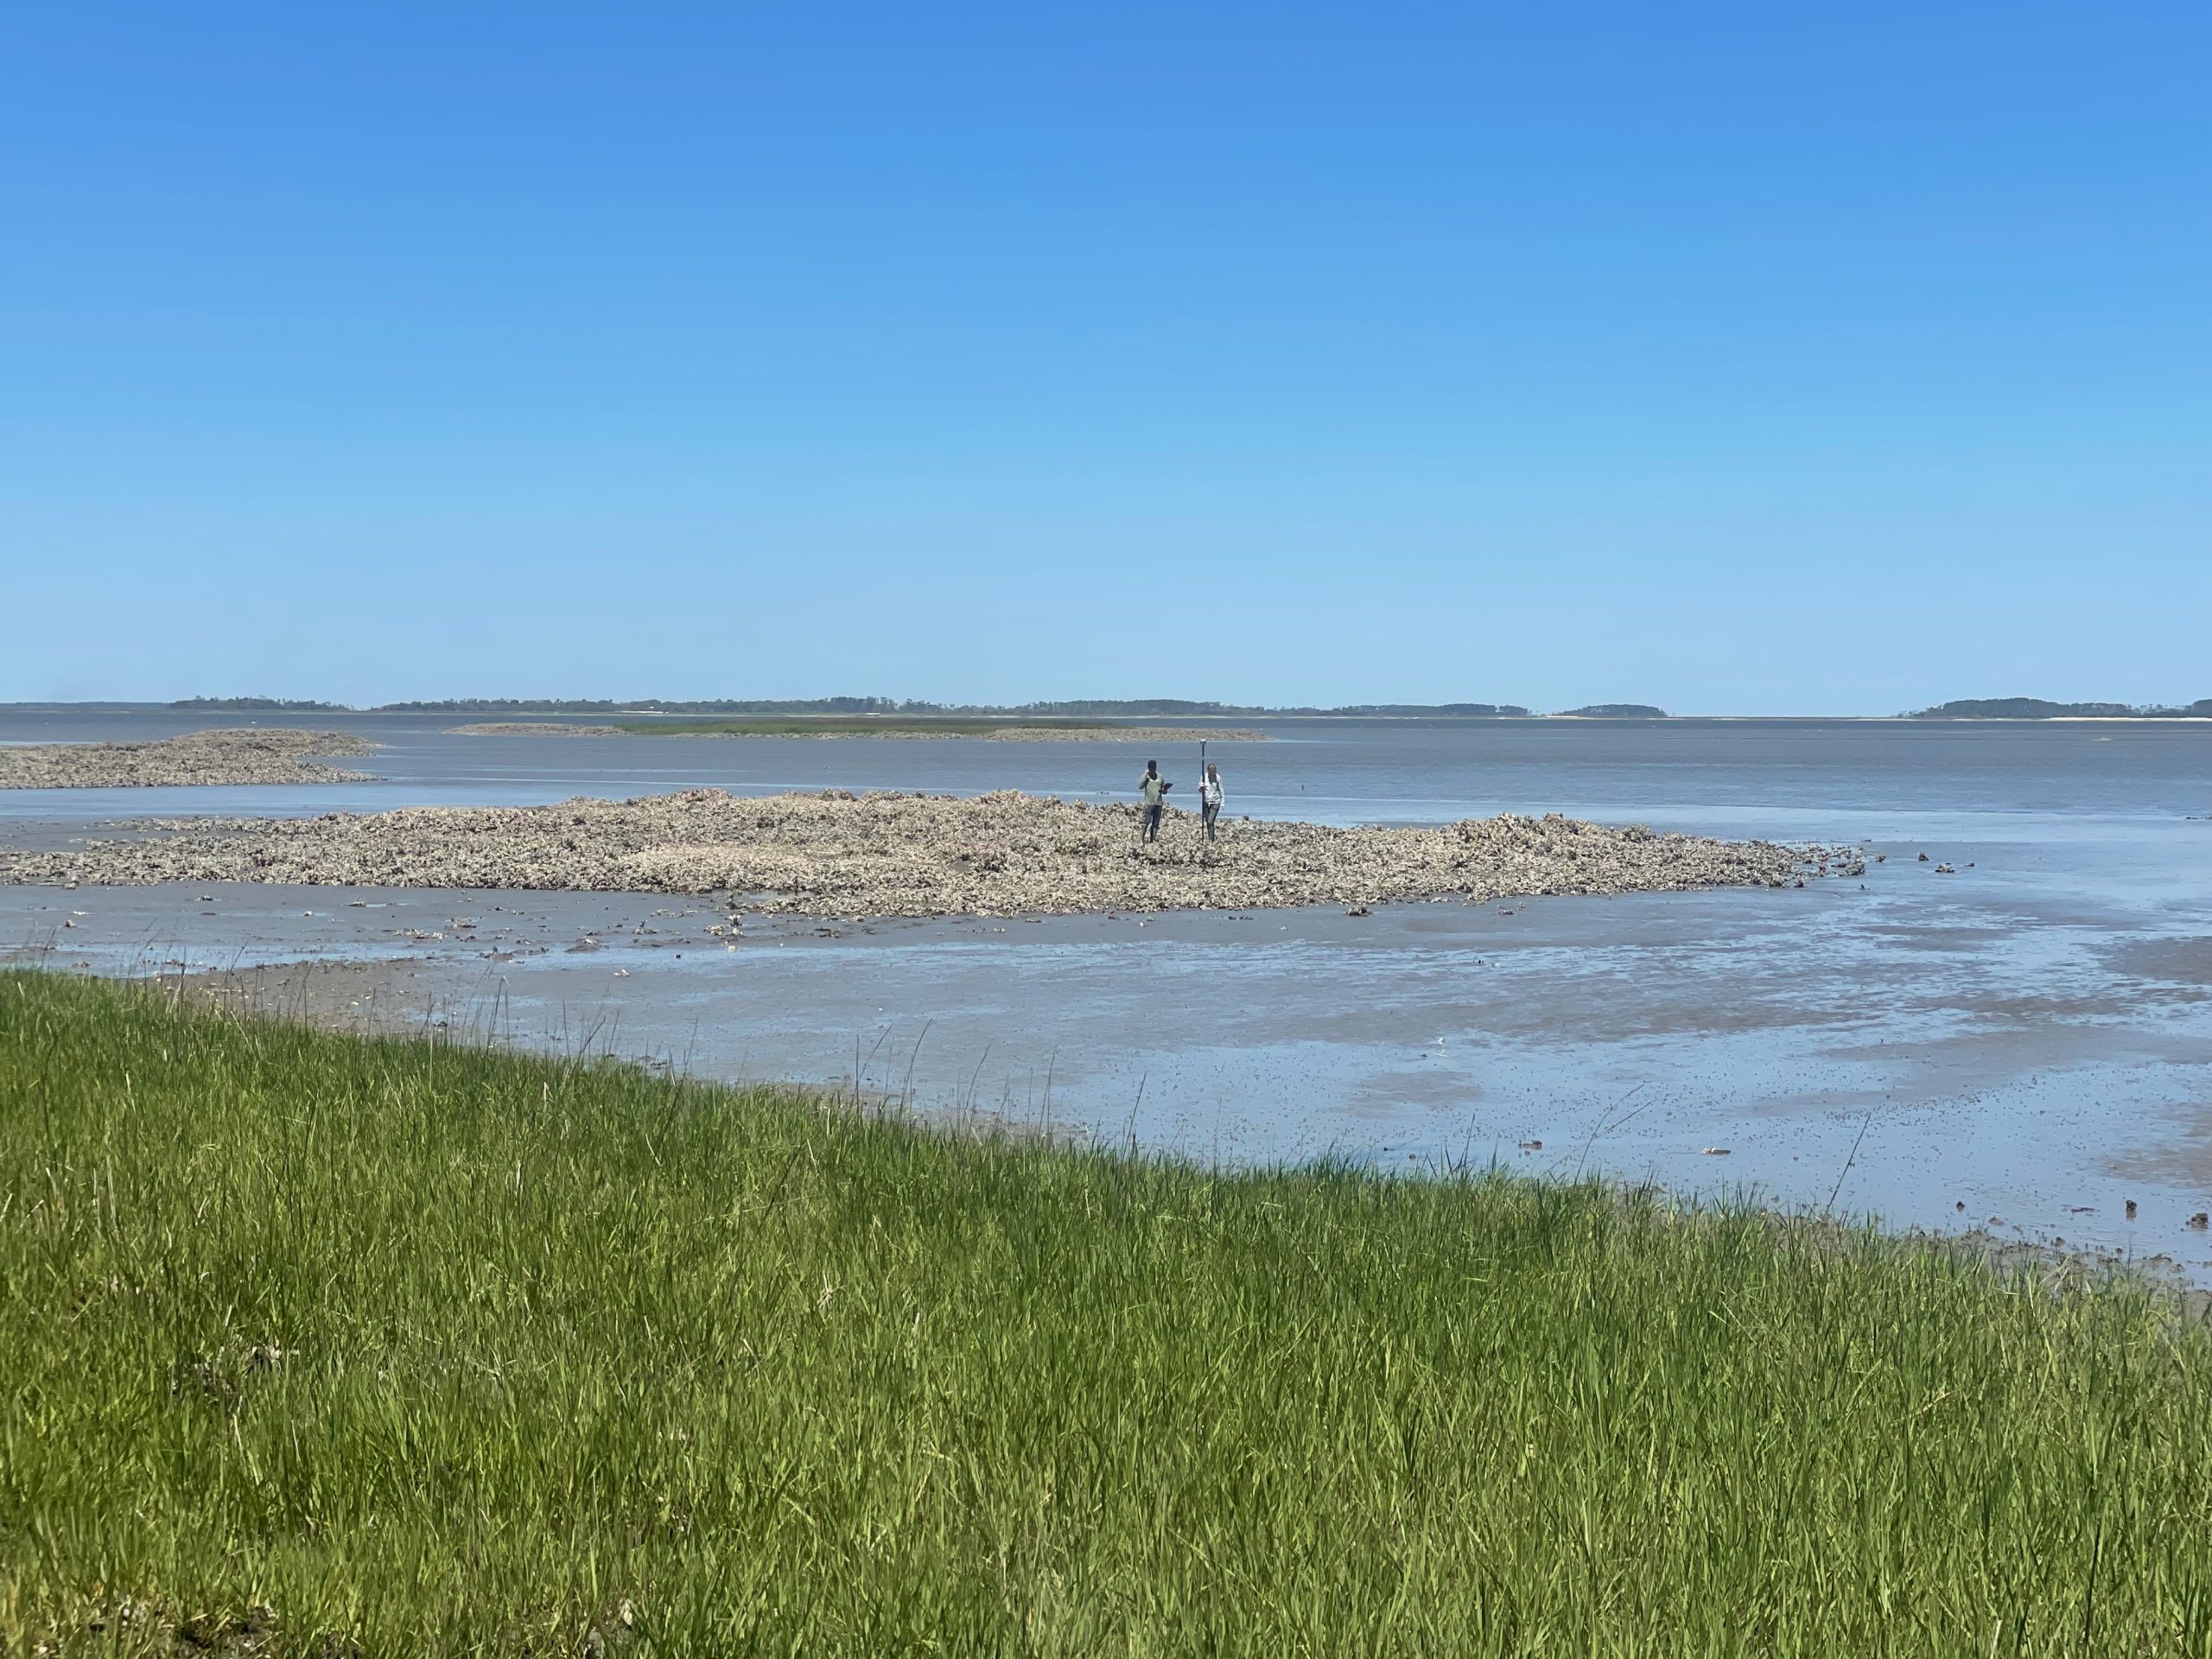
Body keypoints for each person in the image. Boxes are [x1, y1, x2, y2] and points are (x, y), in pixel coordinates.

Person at [1137, 759, 1170, 842]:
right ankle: (1141, 838)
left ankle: (1153, 839)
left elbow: (1164, 791)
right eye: (1151, 768)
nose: (1153, 770)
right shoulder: (1146, 777)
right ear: (1149, 768)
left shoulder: (1160, 777)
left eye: (1154, 768)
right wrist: (1145, 776)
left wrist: (1164, 790)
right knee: (1146, 821)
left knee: (1155, 823)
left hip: (1158, 803)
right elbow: (1140, 786)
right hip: (1149, 803)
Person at [1198, 762, 1224, 840]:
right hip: (1206, 802)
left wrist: (1222, 802)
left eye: (1214, 772)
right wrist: (1201, 788)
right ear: (1208, 771)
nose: (1213, 774)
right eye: (1211, 772)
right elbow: (1199, 790)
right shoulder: (1203, 777)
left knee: (1210, 821)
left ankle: (1211, 839)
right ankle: (1211, 838)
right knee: (1208, 822)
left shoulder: (1218, 778)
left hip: (1215, 802)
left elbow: (1221, 790)